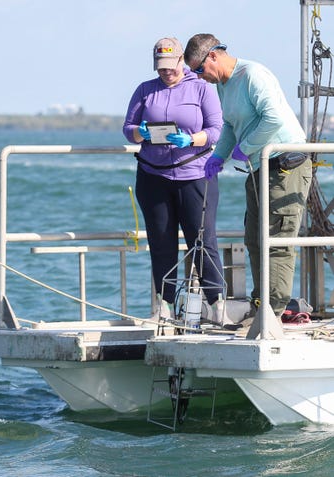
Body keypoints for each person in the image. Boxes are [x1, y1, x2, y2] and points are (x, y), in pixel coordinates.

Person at [184, 33, 312, 322]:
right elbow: (229, 125)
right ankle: (261, 306)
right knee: (254, 239)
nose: (199, 77)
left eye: (199, 70)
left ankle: (273, 311)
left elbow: (274, 118)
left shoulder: (253, 74)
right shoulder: (223, 86)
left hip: (285, 165)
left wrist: (247, 147)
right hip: (259, 168)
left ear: (213, 55)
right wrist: (220, 155)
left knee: (276, 239)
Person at [123, 37, 227, 324]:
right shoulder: (145, 90)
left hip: (194, 175)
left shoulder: (202, 88)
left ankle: (217, 304)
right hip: (153, 176)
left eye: (170, 67)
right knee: (161, 243)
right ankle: (165, 305)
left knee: (202, 240)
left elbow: (217, 129)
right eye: (161, 68)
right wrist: (139, 133)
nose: (166, 72)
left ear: (182, 60)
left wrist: (192, 139)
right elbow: (127, 128)